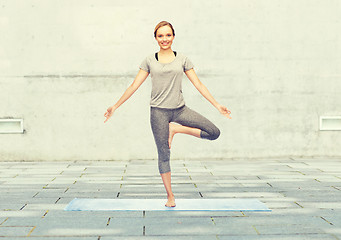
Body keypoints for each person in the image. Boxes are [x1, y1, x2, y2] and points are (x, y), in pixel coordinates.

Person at [104, 21, 231, 207]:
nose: (165, 39)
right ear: (156, 38)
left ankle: (176, 129)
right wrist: (115, 106)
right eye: (161, 36)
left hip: (180, 110)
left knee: (214, 132)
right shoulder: (149, 60)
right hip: (158, 113)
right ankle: (170, 196)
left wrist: (217, 105)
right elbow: (133, 86)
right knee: (164, 154)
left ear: (173, 36)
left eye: (168, 35)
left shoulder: (183, 59)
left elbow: (199, 84)